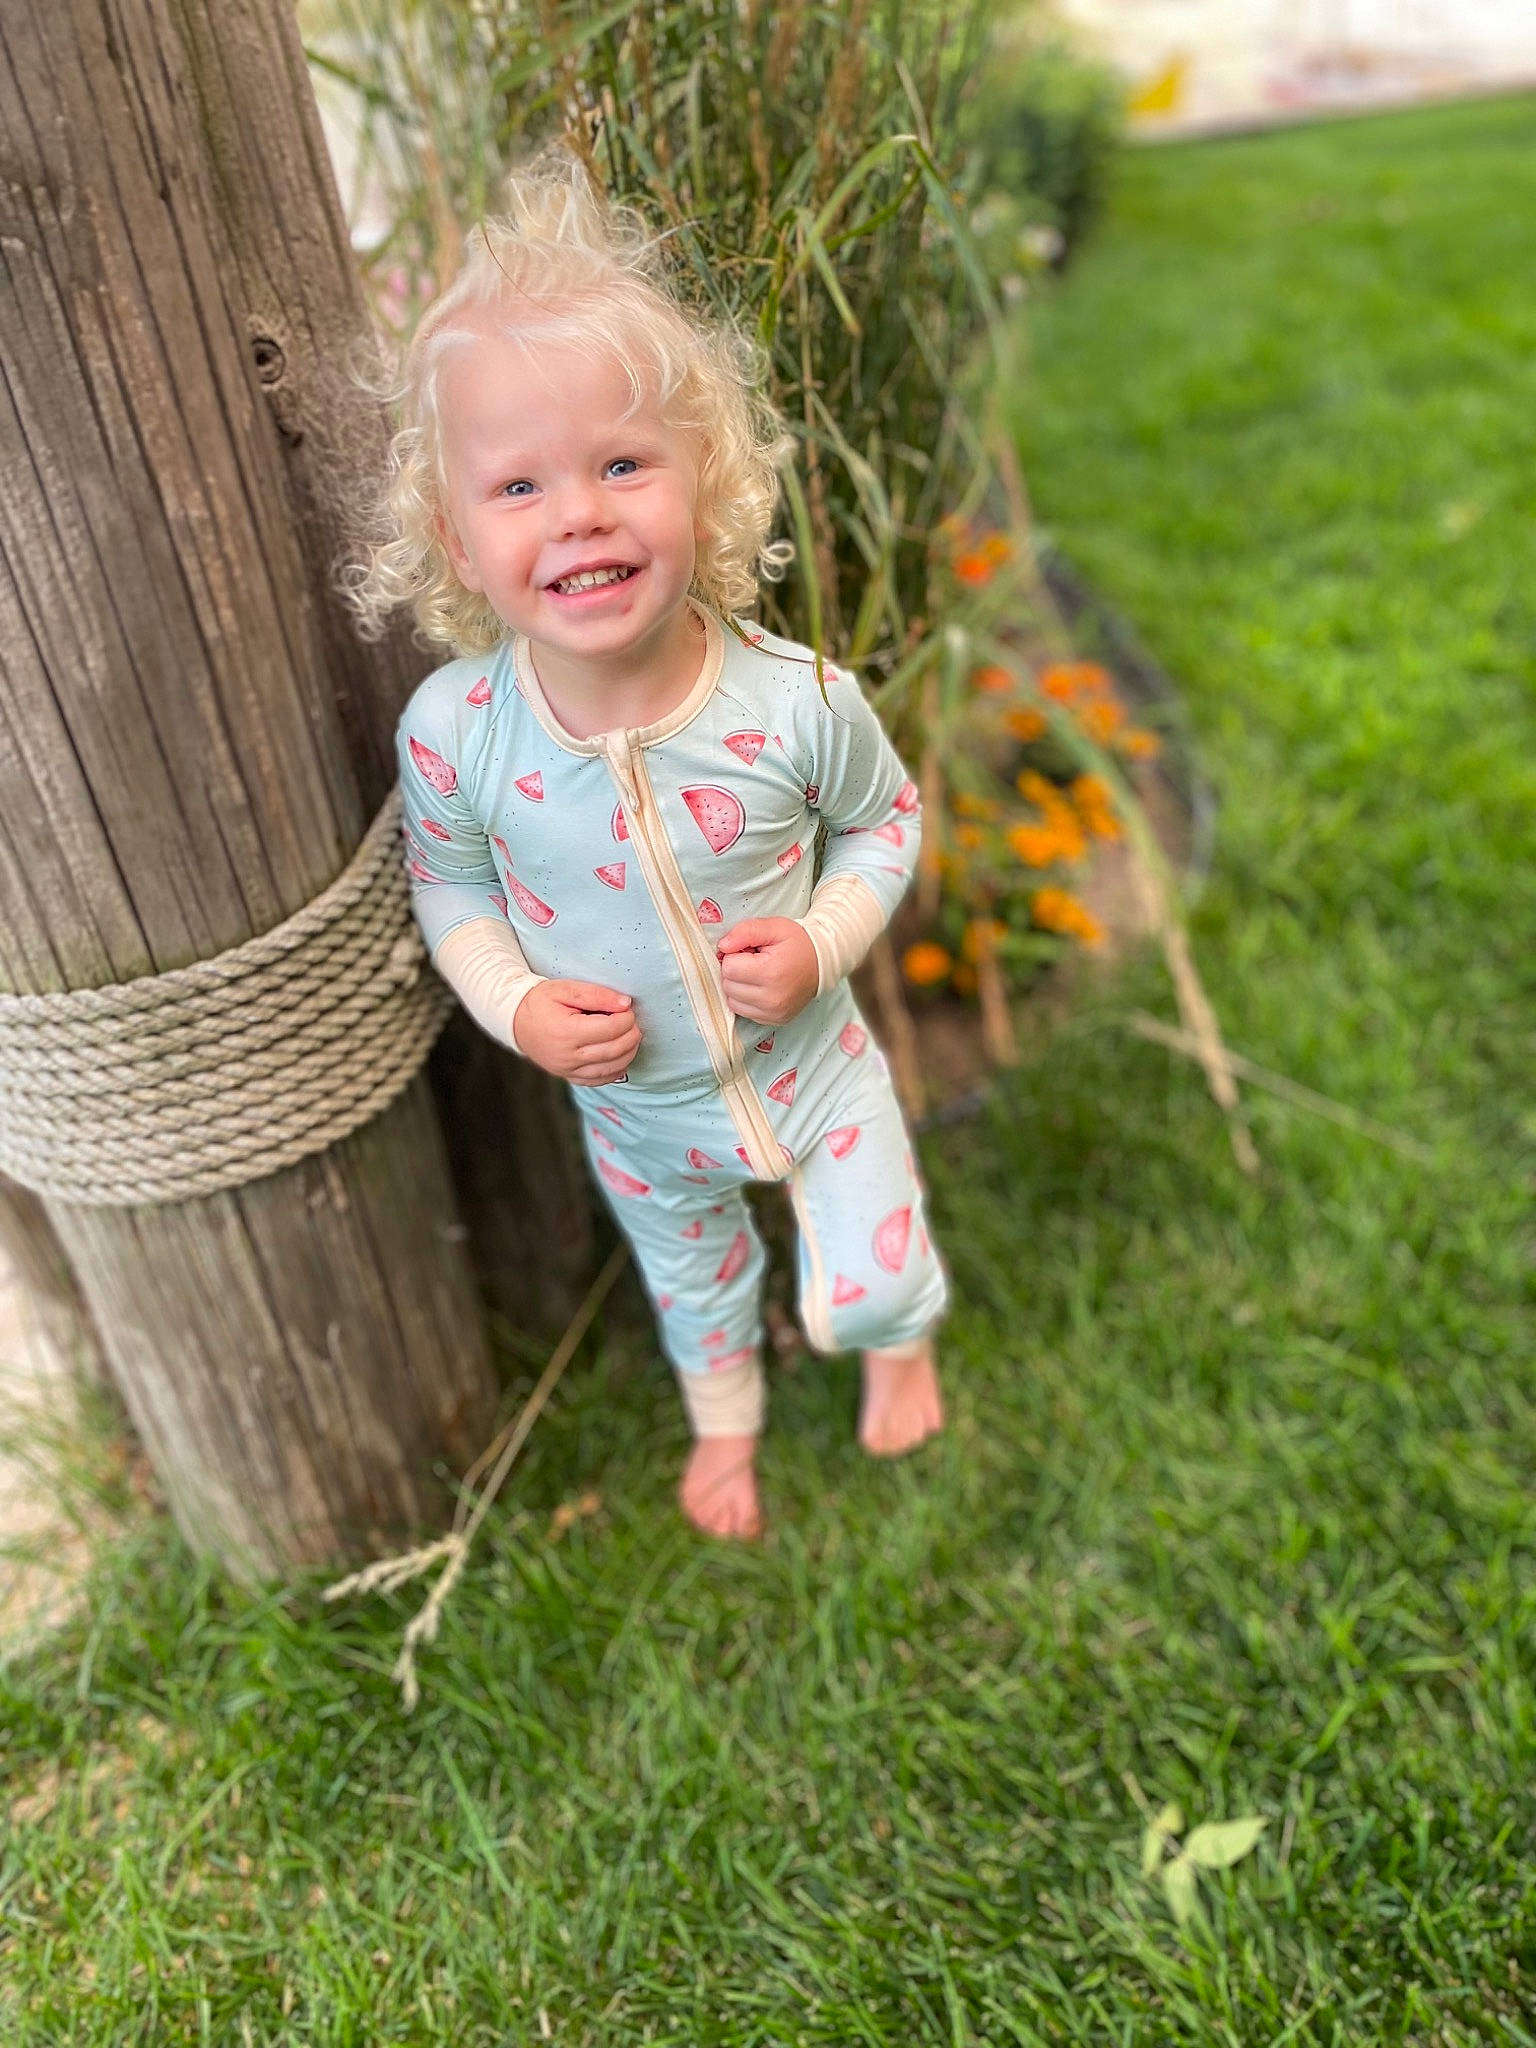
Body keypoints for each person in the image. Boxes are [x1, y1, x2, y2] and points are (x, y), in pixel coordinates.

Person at [346, 146, 948, 1540]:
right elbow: (453, 886)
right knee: (695, 1279)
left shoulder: (796, 702)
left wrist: (819, 939)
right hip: (637, 1111)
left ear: (708, 480)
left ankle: (894, 1337)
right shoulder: (456, 734)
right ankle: (722, 1426)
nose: (580, 513)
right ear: (451, 529)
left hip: (812, 1069)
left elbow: (884, 824)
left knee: (865, 1274)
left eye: (624, 463)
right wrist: (517, 1007)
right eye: (519, 488)